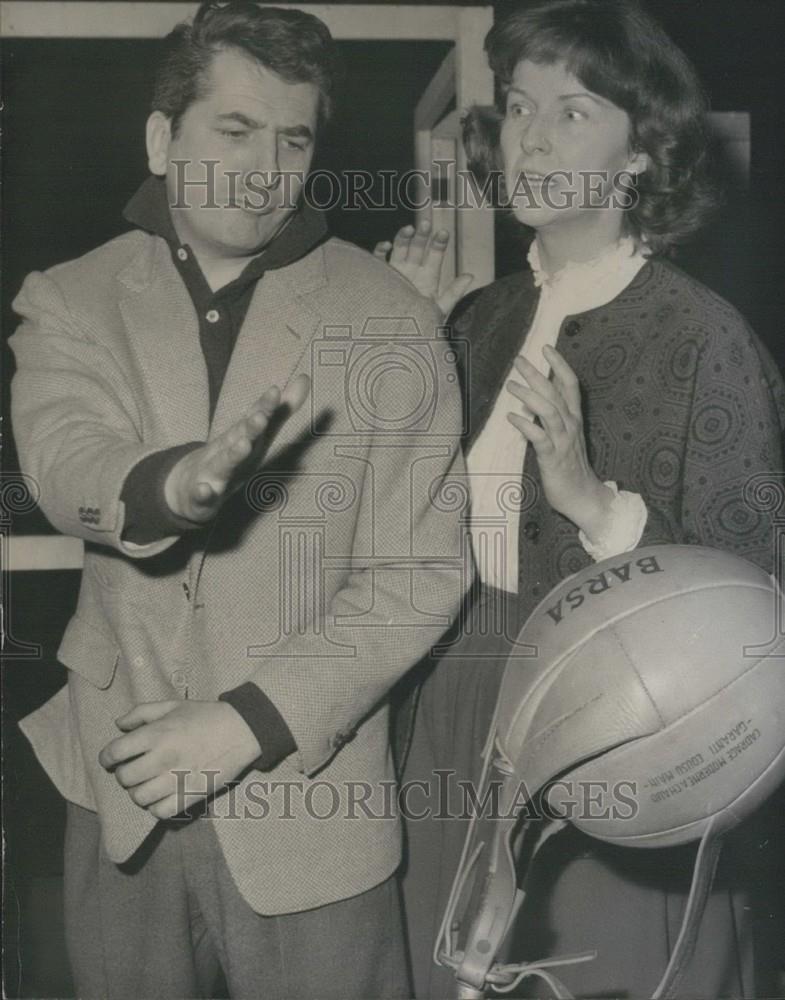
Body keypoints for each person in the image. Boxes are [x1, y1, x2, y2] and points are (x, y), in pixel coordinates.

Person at [9, 3, 467, 997]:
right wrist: (171, 486)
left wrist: (247, 722)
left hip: (312, 804)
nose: (266, 166)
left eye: (291, 137)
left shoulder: (390, 321)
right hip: (118, 794)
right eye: (233, 128)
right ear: (161, 137)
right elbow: (65, 460)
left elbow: (418, 575)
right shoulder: (70, 298)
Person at [378, 1, 785, 996]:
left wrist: (588, 501)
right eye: (519, 107)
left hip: (622, 714)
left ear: (640, 153)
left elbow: (756, 610)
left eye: (571, 111)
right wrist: (408, 347)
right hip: (451, 694)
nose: (529, 135)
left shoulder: (702, 334)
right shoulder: (477, 315)